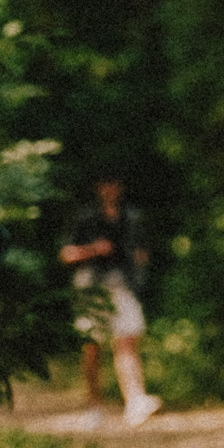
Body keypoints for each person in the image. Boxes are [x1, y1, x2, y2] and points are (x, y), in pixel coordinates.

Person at [60, 177, 160, 426]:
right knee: (92, 347)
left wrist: (138, 266)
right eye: (106, 183)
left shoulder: (132, 218)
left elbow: (143, 252)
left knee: (127, 340)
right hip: (91, 287)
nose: (110, 189)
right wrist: (93, 250)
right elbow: (66, 254)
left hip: (123, 286)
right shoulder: (85, 218)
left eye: (115, 183)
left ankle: (135, 400)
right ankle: (94, 406)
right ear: (98, 187)